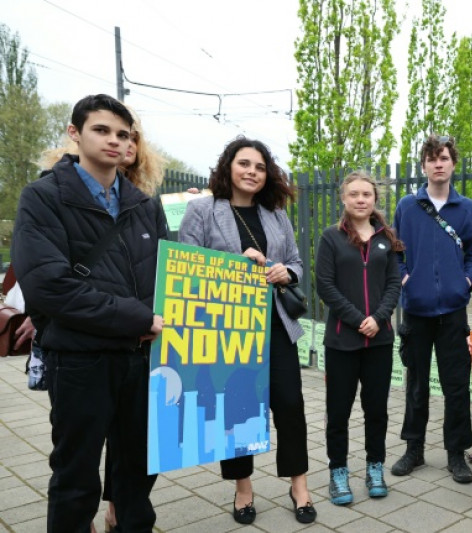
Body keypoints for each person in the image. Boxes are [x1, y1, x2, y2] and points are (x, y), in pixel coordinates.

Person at [12, 94, 166, 532]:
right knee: (76, 478)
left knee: (138, 474)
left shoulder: (144, 204)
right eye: (102, 130)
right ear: (75, 133)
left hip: (141, 361)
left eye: (123, 134)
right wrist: (137, 318)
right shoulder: (43, 198)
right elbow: (48, 286)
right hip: (80, 361)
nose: (114, 141)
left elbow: (168, 278)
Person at [178, 137, 315, 525]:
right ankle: (243, 489)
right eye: (244, 164)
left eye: (259, 166)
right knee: (236, 411)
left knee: (290, 406)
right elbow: (189, 267)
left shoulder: (275, 213)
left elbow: (296, 263)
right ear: (228, 167)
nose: (252, 172)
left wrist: (286, 272)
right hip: (228, 330)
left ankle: (299, 485)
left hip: (274, 325)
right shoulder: (202, 210)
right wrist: (236, 265)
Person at [391, 134, 472, 484]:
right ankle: (413, 449)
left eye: (444, 157)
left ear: (453, 163)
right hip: (416, 310)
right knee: (416, 384)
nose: (438, 163)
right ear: (424, 165)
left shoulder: (467, 208)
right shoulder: (407, 206)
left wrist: (467, 281)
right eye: (432, 158)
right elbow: (396, 251)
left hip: (453, 312)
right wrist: (404, 278)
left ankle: (456, 453)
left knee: (456, 385)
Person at [315, 171, 402, 505]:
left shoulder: (386, 238)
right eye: (354, 194)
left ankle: (374, 467)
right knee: (338, 412)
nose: (361, 199)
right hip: (342, 342)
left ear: (375, 199)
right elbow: (326, 285)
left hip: (379, 341)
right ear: (344, 198)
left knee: (376, 410)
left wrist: (378, 319)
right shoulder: (331, 237)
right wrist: (357, 320)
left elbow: (394, 283)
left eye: (367, 194)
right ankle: (338, 472)